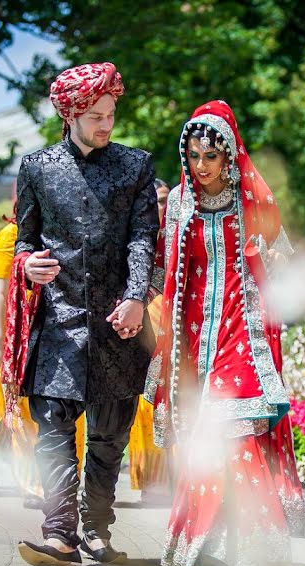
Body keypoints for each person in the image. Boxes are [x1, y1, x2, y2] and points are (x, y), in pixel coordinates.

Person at [146, 101, 305, 566]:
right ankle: (210, 542)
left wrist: (270, 263)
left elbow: (283, 260)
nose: (201, 167)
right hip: (196, 342)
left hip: (243, 335)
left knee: (232, 429)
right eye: (194, 157)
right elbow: (165, 270)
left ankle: (254, 545)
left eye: (210, 158)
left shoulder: (251, 199)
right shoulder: (180, 201)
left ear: (228, 155)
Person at [13, 62, 158, 566]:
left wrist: (137, 296)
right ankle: (58, 535)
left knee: (110, 434)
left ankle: (96, 530)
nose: (106, 124)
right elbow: (23, 241)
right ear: (70, 113)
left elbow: (144, 239)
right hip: (58, 320)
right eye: (95, 115)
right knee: (52, 431)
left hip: (120, 321)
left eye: (111, 113)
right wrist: (26, 264)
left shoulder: (136, 166)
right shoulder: (36, 167)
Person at [0, 191, 83, 510]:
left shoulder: (69, 232)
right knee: (26, 413)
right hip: (23, 336)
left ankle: (63, 481)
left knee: (66, 410)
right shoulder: (9, 236)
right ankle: (32, 482)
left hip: (66, 334)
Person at [127, 178, 174, 502]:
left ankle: (174, 481)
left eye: (166, 200)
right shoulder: (131, 238)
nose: (163, 207)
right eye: (157, 201)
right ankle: (149, 480)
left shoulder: (181, 235)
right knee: (144, 401)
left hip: (176, 324)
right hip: (140, 326)